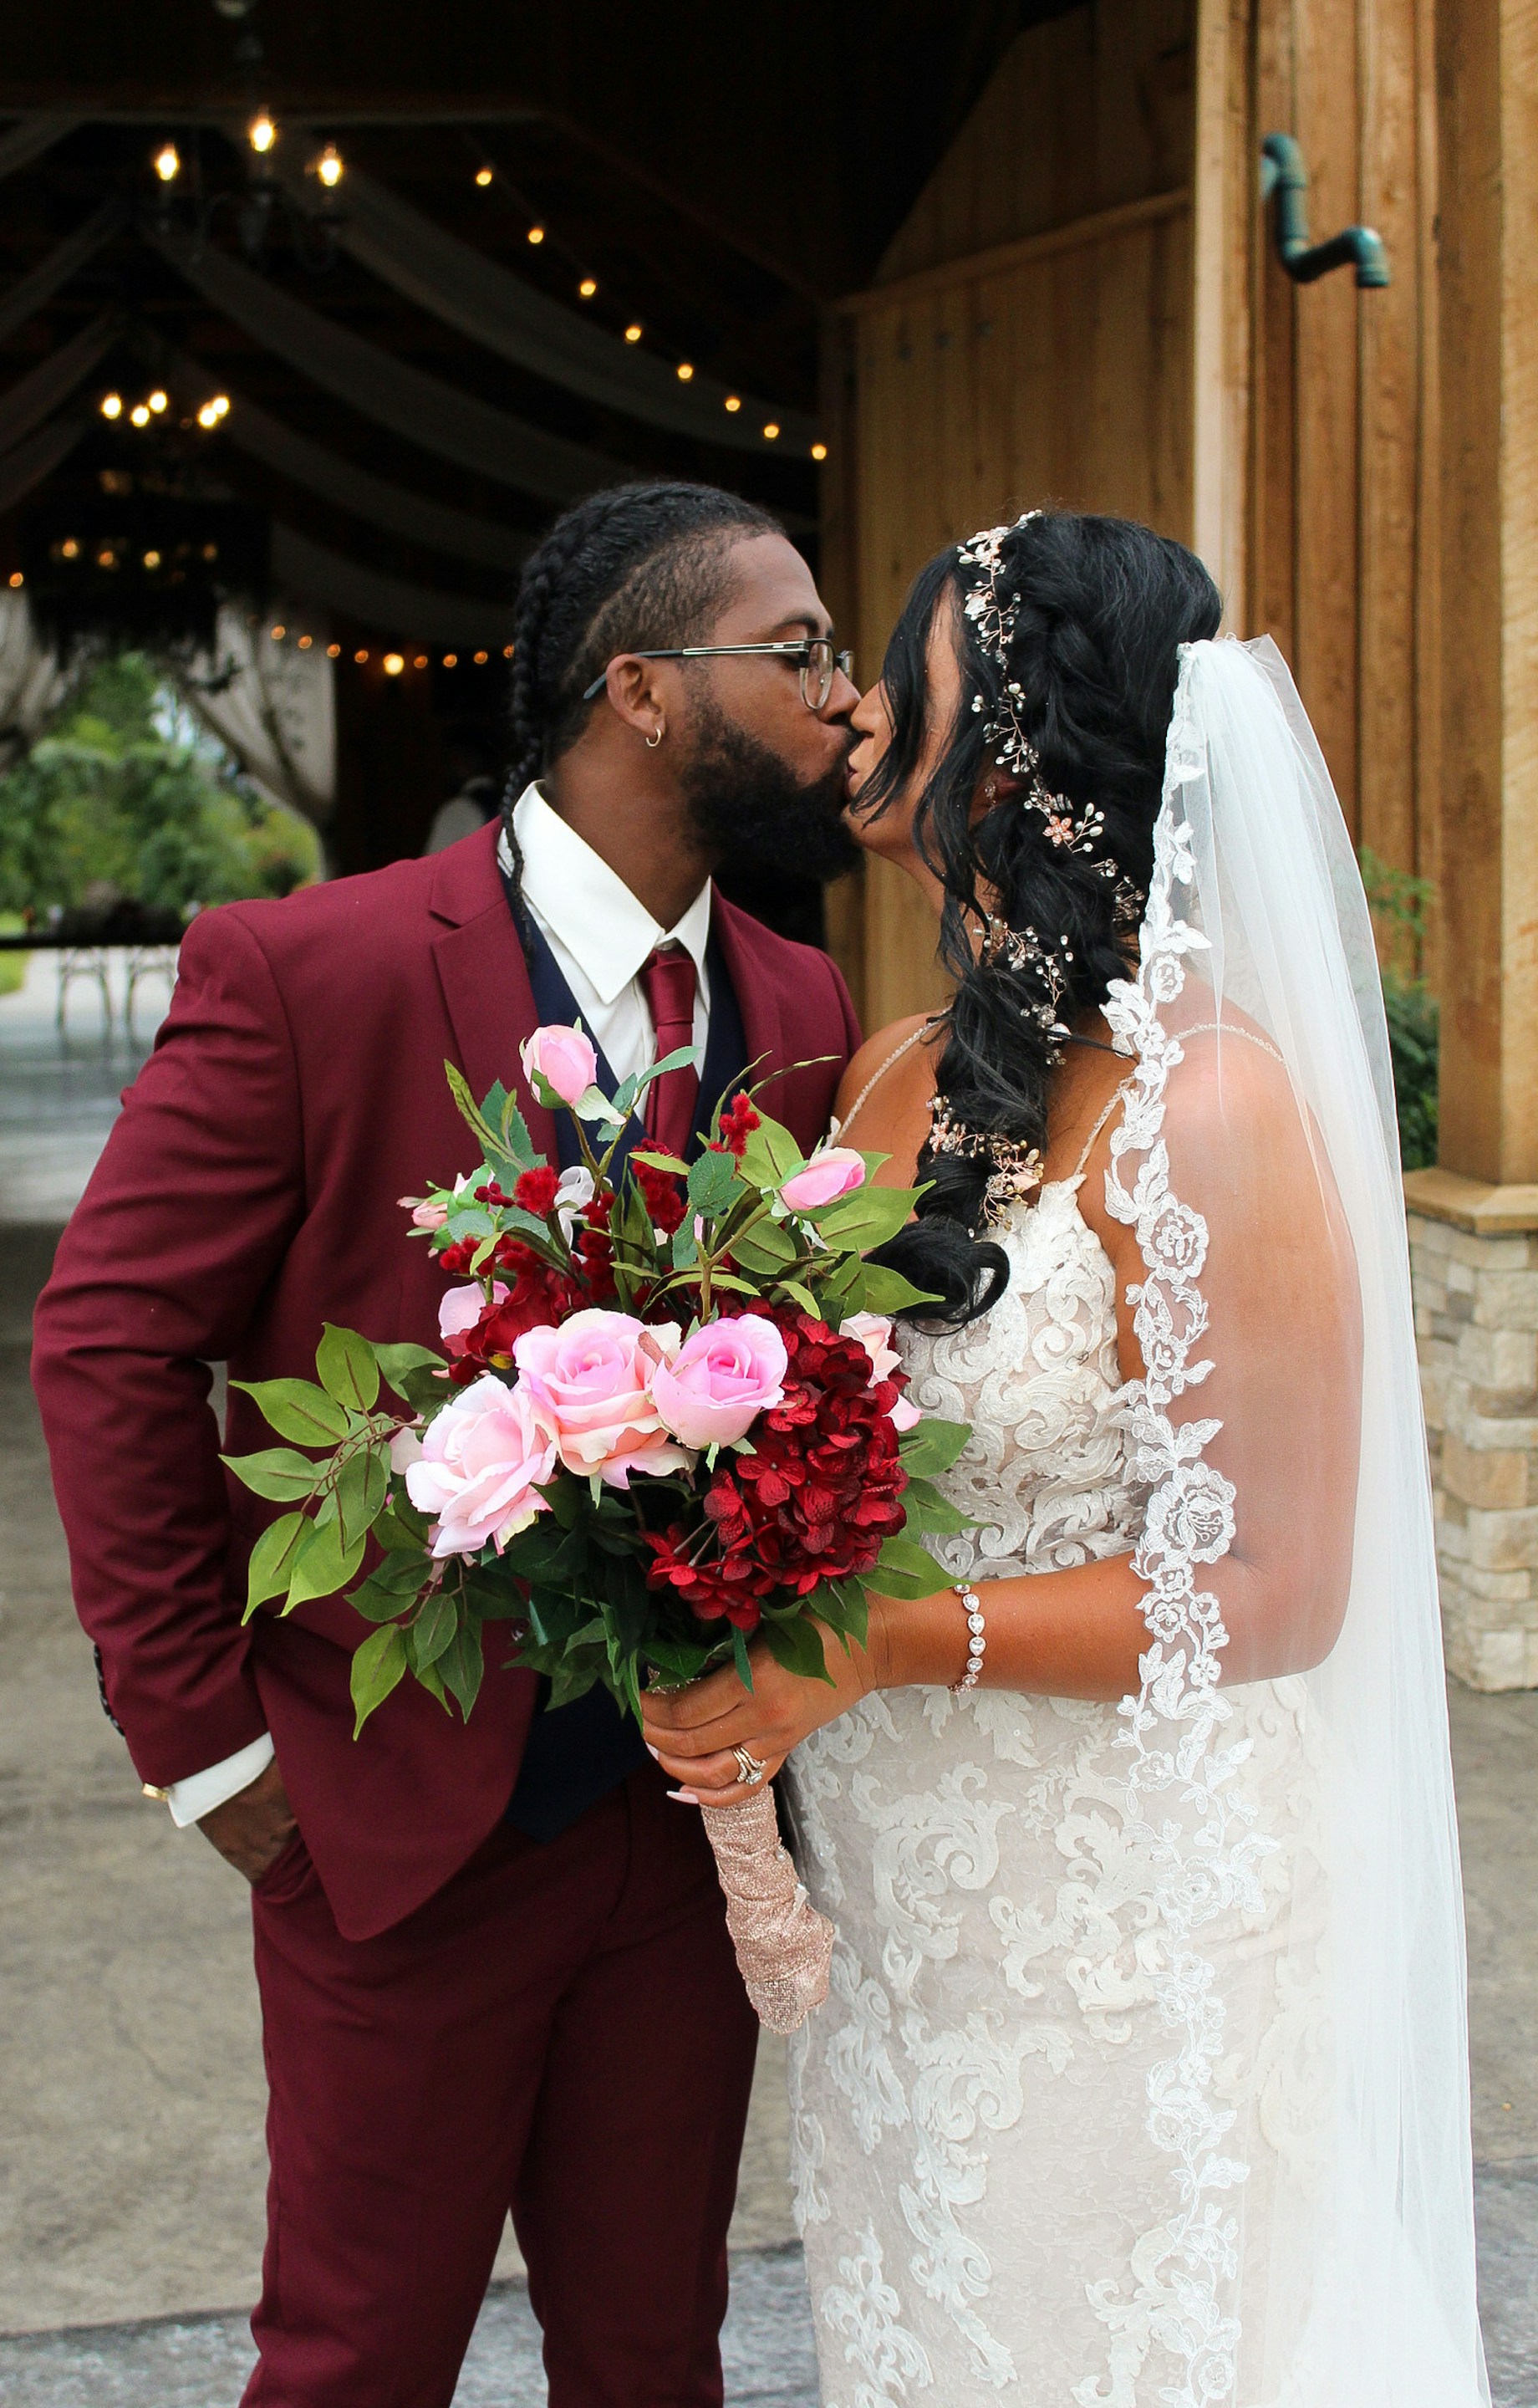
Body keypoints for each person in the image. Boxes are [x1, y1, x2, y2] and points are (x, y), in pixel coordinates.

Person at [32, 478, 863, 2408]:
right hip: (390, 1819)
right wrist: (206, 1744)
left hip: (680, 1824)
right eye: (799, 651)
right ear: (643, 689)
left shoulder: (806, 1000)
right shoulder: (308, 970)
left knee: (658, 2354)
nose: (841, 696)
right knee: (356, 2361)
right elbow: (109, 1341)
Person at [643, 511, 1490, 2404]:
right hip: (912, 1926)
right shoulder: (888, 1076)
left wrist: (873, 1644)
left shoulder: (1214, 1107)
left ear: (1022, 736)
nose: (858, 712)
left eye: (908, 671)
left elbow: (1273, 1591)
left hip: (1132, 1939)